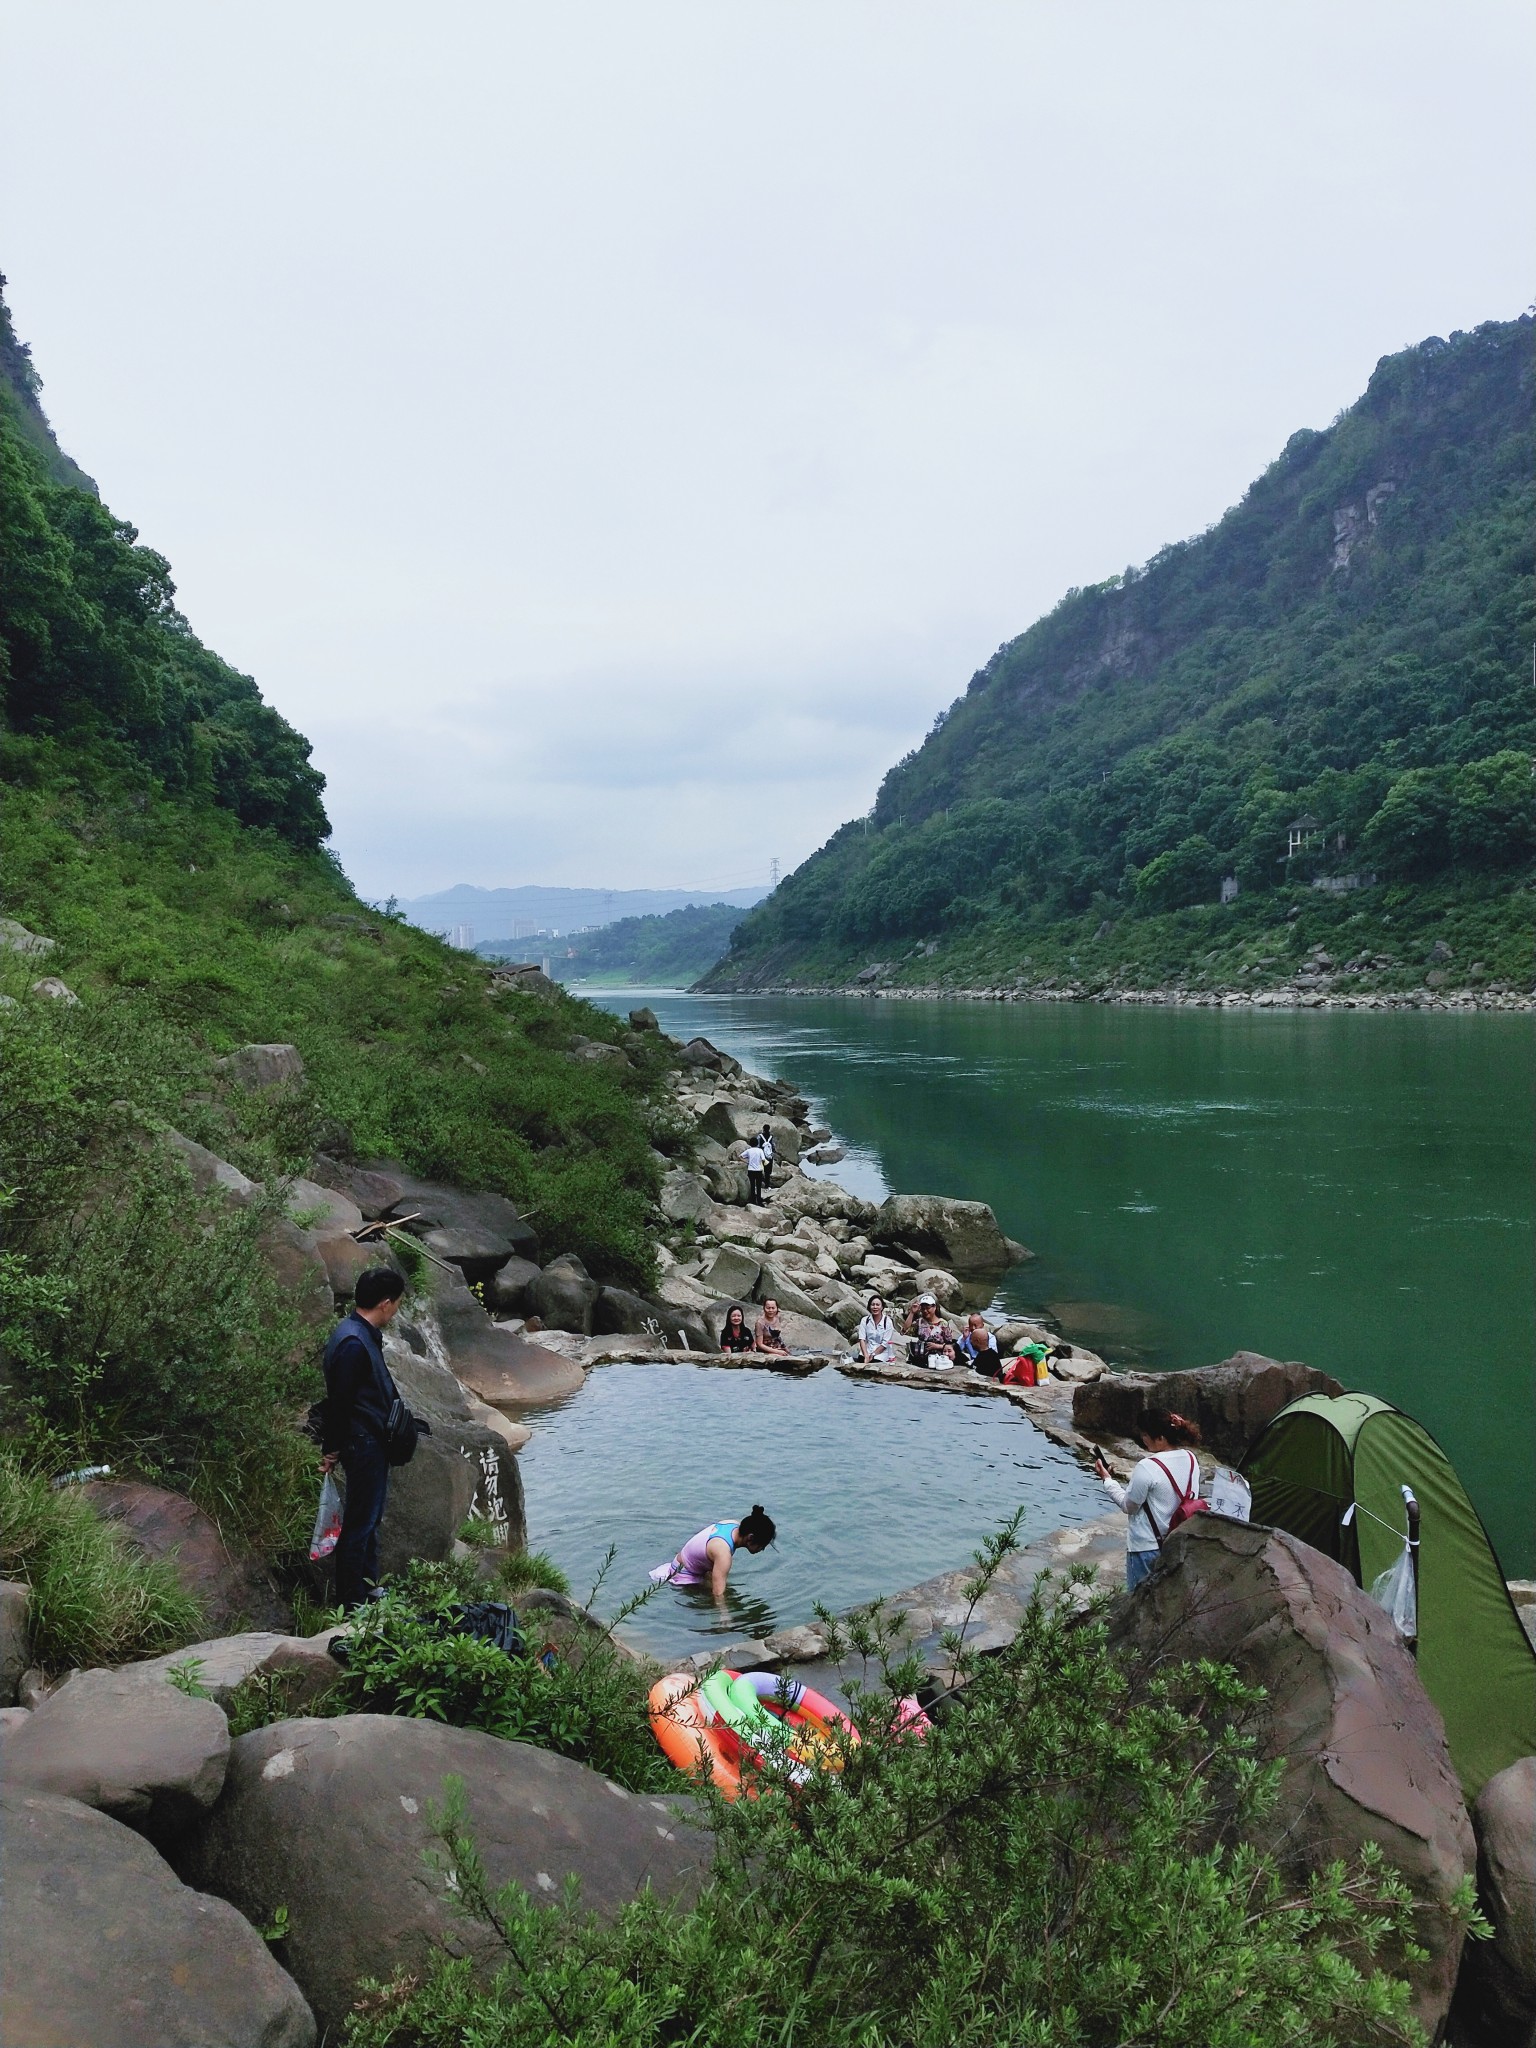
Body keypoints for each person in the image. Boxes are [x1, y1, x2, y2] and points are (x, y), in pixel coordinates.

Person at [320, 1266, 408, 1612]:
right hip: (363, 1443)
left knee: (369, 1519)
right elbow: (339, 1403)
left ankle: (369, 1588)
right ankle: (352, 1600)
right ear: (386, 1304)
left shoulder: (357, 1333)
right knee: (360, 1523)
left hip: (369, 1440)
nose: (397, 1308)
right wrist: (332, 1449)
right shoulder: (354, 1343)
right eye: (397, 1303)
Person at [1093, 1407, 1204, 1589]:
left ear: (1160, 1438)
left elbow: (1129, 1506)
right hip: (1178, 1542)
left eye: (1145, 1435)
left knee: (1139, 1604)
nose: (1143, 1439)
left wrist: (1107, 1481)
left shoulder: (1147, 1466)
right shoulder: (1191, 1459)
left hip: (1147, 1548)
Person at [649, 1506, 777, 1606]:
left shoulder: (732, 1524)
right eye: (763, 1545)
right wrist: (724, 1616)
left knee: (724, 1586)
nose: (763, 1549)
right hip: (684, 1577)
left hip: (680, 1563)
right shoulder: (723, 1554)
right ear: (751, 1538)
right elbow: (718, 1594)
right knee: (725, 1596)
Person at [907, 1294, 957, 1370]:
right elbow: (905, 1331)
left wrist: (937, 1346)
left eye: (928, 1308)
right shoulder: (920, 1322)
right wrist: (912, 1313)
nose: (925, 1311)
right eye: (923, 1309)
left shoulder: (943, 1324)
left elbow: (950, 1344)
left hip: (938, 1359)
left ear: (934, 1307)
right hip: (920, 1356)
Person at [856, 1294, 899, 1364]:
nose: (875, 1307)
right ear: (869, 1307)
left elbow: (885, 1343)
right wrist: (866, 1355)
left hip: (881, 1353)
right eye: (873, 1305)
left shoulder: (887, 1321)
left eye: (877, 1305)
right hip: (867, 1351)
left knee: (874, 1364)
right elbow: (862, 1339)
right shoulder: (865, 1320)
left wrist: (873, 1355)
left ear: (882, 1307)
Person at [958, 1313, 1003, 1378]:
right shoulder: (966, 1335)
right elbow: (956, 1350)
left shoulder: (990, 1338)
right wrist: (963, 1339)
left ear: (982, 1325)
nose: (973, 1328)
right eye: (971, 1325)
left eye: (975, 1325)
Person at [744, 1139, 767, 1205]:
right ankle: (759, 1201)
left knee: (752, 1185)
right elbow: (763, 1159)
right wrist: (762, 1166)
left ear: (750, 1144)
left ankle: (753, 1200)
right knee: (758, 1186)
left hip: (751, 1170)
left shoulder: (748, 1151)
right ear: (757, 1143)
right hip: (758, 1170)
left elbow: (740, 1156)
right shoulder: (760, 1150)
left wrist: (747, 1162)